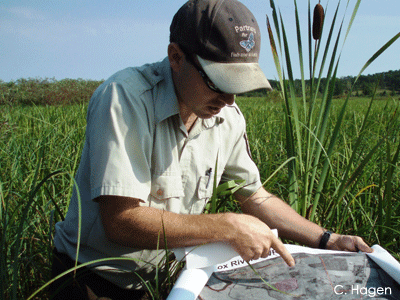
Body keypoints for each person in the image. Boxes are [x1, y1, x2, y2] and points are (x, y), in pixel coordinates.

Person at [50, 0, 373, 299]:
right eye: (218, 82)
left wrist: (327, 239)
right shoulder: (124, 99)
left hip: (168, 278)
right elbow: (120, 220)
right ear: (176, 57)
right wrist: (227, 226)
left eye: (238, 87)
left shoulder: (226, 118)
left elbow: (254, 196)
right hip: (94, 277)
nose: (229, 101)